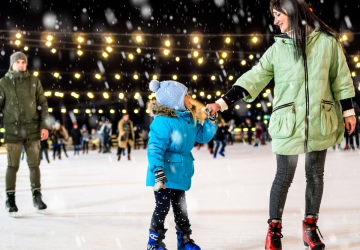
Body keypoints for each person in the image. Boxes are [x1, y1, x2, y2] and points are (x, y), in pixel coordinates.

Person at [205, 1, 356, 249]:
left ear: (292, 11)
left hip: (321, 119)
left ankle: (310, 227)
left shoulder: (327, 42)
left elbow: (340, 77)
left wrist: (348, 110)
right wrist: (223, 102)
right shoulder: (279, 48)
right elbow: (254, 77)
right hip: (289, 121)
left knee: (315, 176)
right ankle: (273, 230)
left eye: (278, 15)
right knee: (283, 176)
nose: (275, 21)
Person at [146, 80, 217, 249]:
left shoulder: (188, 118)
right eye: (186, 95)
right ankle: (154, 243)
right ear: (175, 100)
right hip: (163, 173)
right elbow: (155, 147)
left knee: (181, 208)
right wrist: (158, 171)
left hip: (181, 172)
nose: (190, 97)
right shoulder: (162, 121)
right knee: (162, 207)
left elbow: (201, 136)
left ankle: (184, 241)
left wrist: (211, 120)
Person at [1, 51, 51, 216]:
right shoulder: (3, 83)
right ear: (12, 64)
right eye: (18, 62)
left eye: (23, 62)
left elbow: (43, 105)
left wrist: (44, 126)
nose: (21, 65)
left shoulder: (34, 82)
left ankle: (37, 197)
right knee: (12, 166)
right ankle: (10, 199)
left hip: (33, 130)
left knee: (34, 165)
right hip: (12, 130)